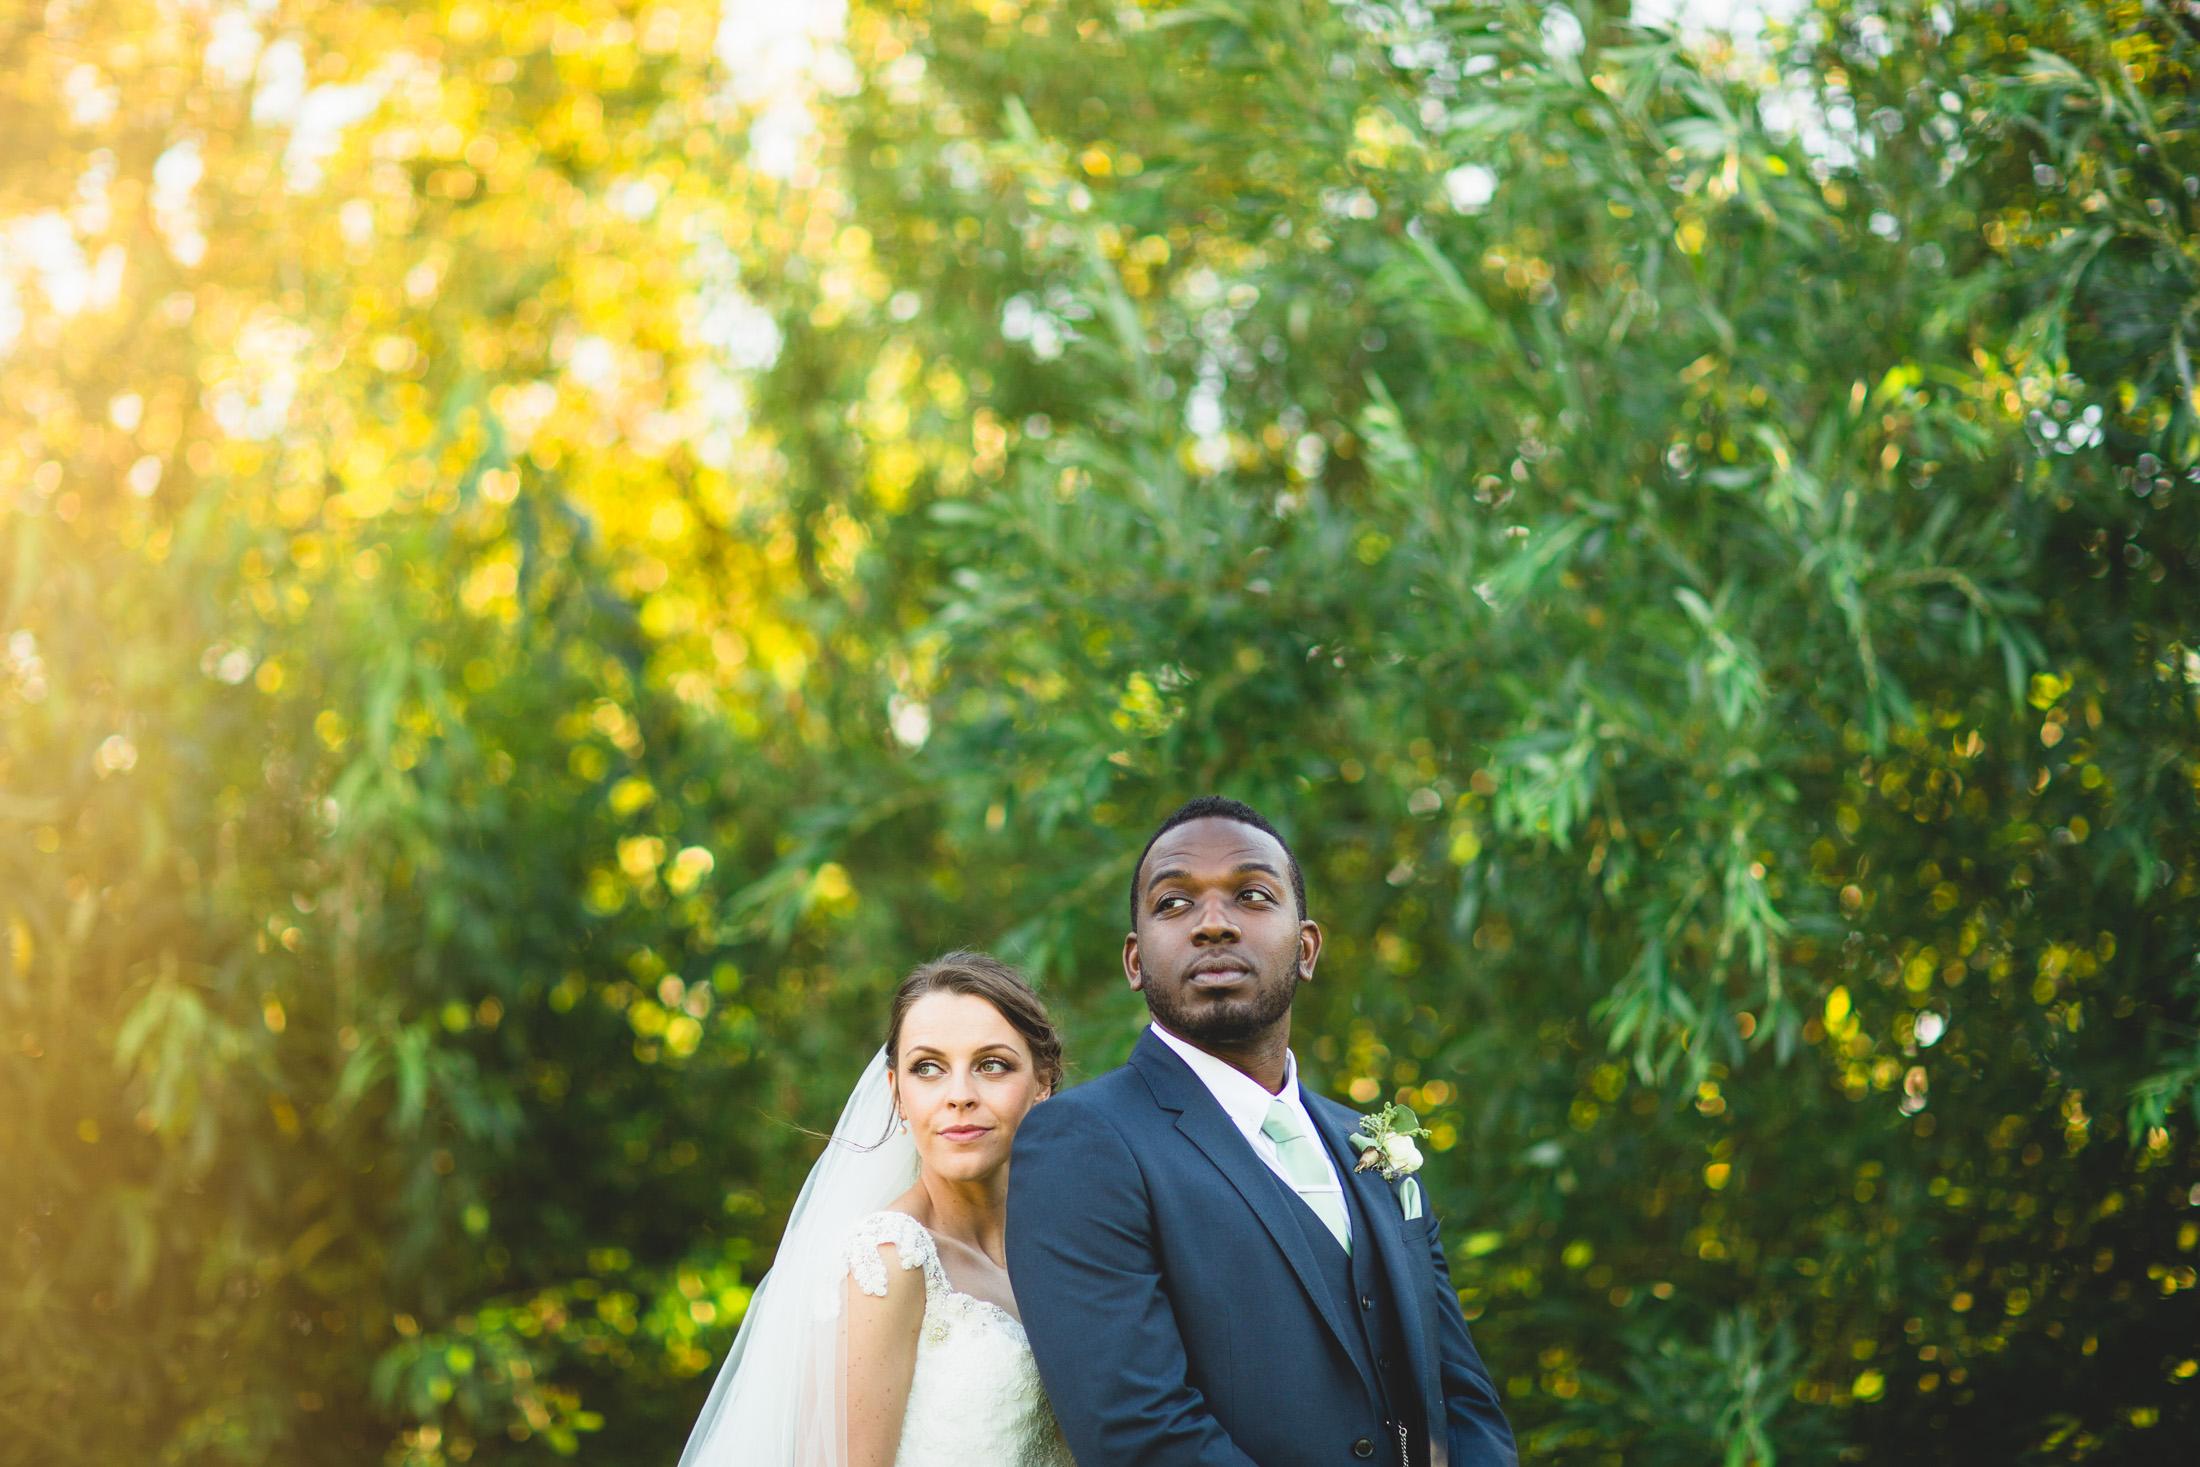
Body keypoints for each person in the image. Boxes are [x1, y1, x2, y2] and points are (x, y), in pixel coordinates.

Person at [1007, 795, 1516, 1467]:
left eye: (1250, 894)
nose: (1212, 924)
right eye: (1173, 903)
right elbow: (1140, 1432)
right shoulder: (1081, 1142)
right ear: (1134, 961)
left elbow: (1463, 1399)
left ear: (1306, 947)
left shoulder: (1372, 1143)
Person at [678, 952, 1076, 1467]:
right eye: (928, 1068)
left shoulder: (1069, 1245)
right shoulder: (889, 1260)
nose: (960, 1095)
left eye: (992, 1065)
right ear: (897, 1096)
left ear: (1042, 1083)